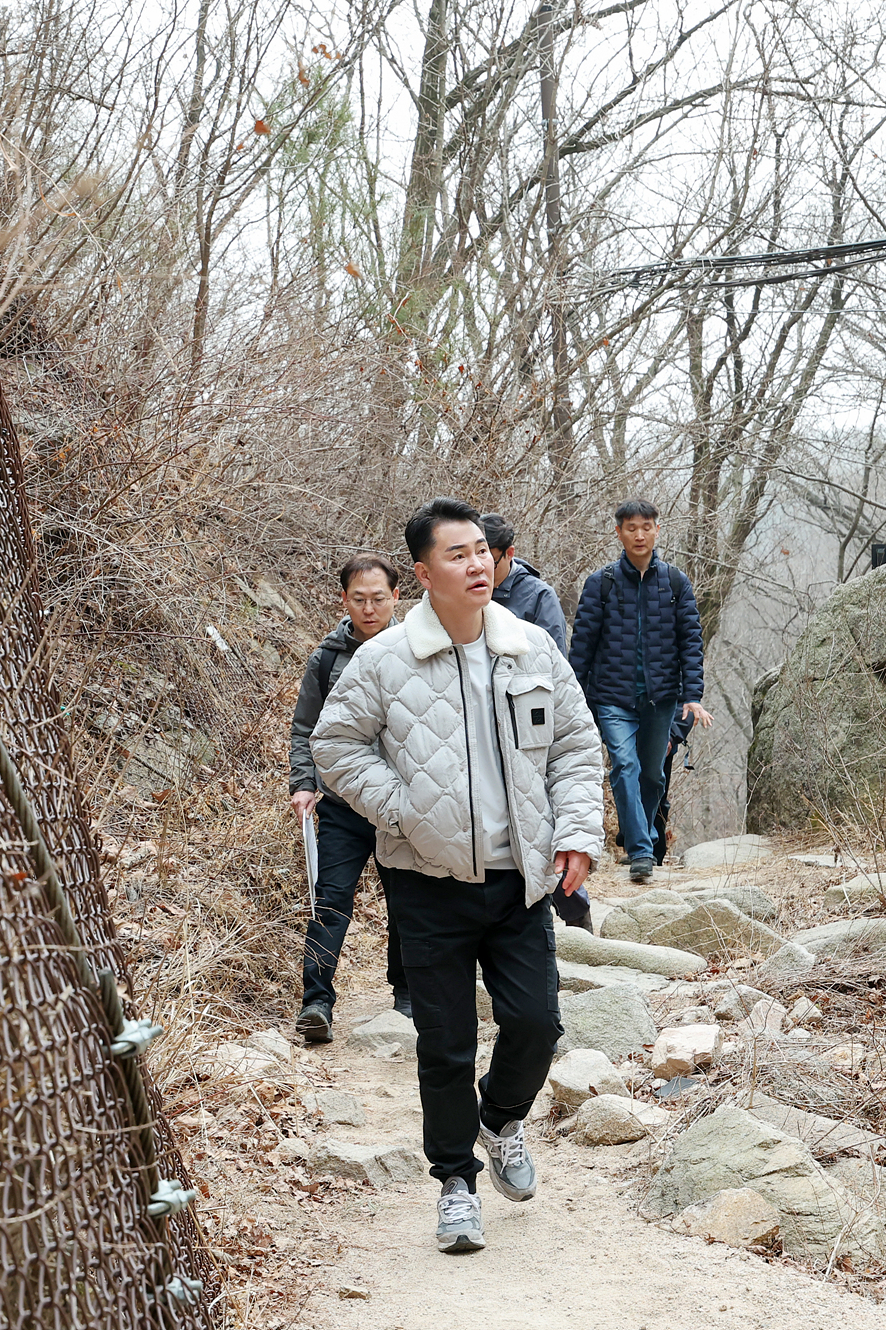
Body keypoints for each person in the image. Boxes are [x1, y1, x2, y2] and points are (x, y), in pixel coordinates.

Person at [314, 498, 602, 1255]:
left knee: (537, 1023)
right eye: (457, 554)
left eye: (483, 551)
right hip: (426, 881)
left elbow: (575, 745)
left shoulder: (532, 647)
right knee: (444, 1043)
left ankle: (501, 1119)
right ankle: (455, 1185)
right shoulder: (385, 660)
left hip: (519, 882)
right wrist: (401, 808)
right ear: (422, 571)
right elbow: (334, 745)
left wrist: (574, 832)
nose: (477, 564)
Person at [290, 555, 407, 1044]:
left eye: (378, 598)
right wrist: (303, 782)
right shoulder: (328, 657)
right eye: (358, 599)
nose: (369, 607)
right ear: (343, 600)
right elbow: (305, 728)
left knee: (407, 900)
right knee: (330, 901)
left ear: (396, 597)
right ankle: (316, 1002)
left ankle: (407, 995)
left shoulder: (415, 649)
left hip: (402, 803)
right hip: (341, 805)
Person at [566, 500, 713, 884]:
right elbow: (582, 646)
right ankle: (641, 851)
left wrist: (691, 695)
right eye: (631, 527)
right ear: (619, 533)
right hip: (612, 698)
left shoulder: (676, 583)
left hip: (660, 700)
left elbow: (690, 644)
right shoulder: (602, 583)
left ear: (657, 530)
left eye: (646, 526)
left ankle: (642, 836)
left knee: (652, 776)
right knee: (625, 767)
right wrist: (571, 698)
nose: (639, 534)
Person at [483, 512, 591, 933]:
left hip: (528, 728)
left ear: (508, 554)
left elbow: (554, 668)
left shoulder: (537, 597)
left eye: (488, 557)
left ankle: (576, 913)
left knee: (541, 829)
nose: (479, 568)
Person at [482, 514, 567, 651]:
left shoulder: (540, 597)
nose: (483, 571)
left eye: (492, 564)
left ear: (509, 553)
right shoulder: (464, 590)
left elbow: (555, 662)